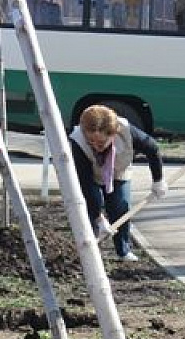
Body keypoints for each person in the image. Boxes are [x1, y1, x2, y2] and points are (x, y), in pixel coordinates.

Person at [69, 104, 166, 261]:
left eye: (100, 143)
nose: (95, 146)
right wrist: (99, 218)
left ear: (113, 134)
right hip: (91, 175)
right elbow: (86, 183)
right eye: (91, 141)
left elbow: (152, 149)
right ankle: (90, 252)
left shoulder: (126, 130)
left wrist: (158, 181)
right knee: (91, 206)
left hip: (119, 170)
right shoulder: (78, 141)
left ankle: (123, 250)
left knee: (120, 206)